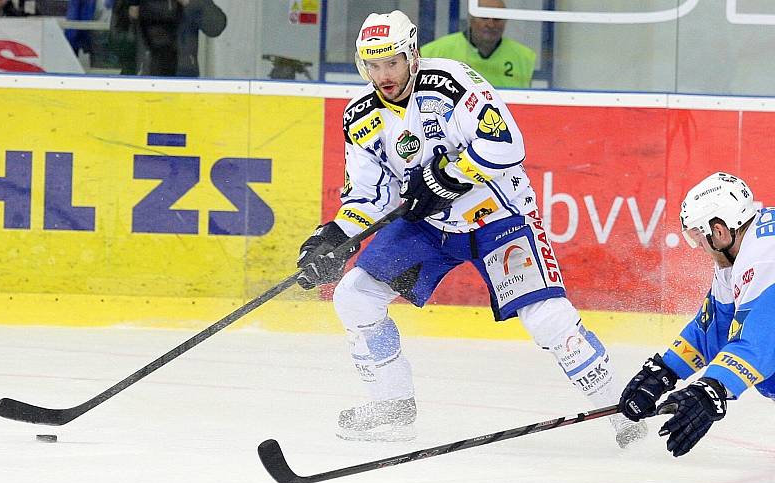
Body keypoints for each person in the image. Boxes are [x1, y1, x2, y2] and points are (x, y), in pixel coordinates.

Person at [296, 10, 647, 447]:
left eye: (392, 62)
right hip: (430, 228)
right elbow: (370, 198)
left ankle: (620, 409)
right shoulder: (360, 116)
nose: (383, 75)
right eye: (373, 64)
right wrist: (334, 237)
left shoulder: (452, 83)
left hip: (498, 217)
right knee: (355, 295)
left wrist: (447, 176)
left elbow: (506, 145)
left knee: (548, 319)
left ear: (412, 54)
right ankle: (393, 405)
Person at [619, 172, 775, 457]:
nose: (700, 248)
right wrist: (665, 372)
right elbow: (716, 324)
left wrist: (710, 389)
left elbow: (762, 342)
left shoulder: (764, 257)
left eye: (698, 238)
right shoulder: (743, 251)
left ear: (719, 231)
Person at [420, 0, 535, 89]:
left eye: (497, 19)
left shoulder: (524, 57)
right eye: (484, 17)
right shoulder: (434, 52)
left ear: (505, 21)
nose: (491, 24)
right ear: (471, 19)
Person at [127, 0, 226, 76]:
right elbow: (117, 37)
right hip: (144, 78)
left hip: (183, 78)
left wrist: (190, 2)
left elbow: (216, 27)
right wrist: (132, 11)